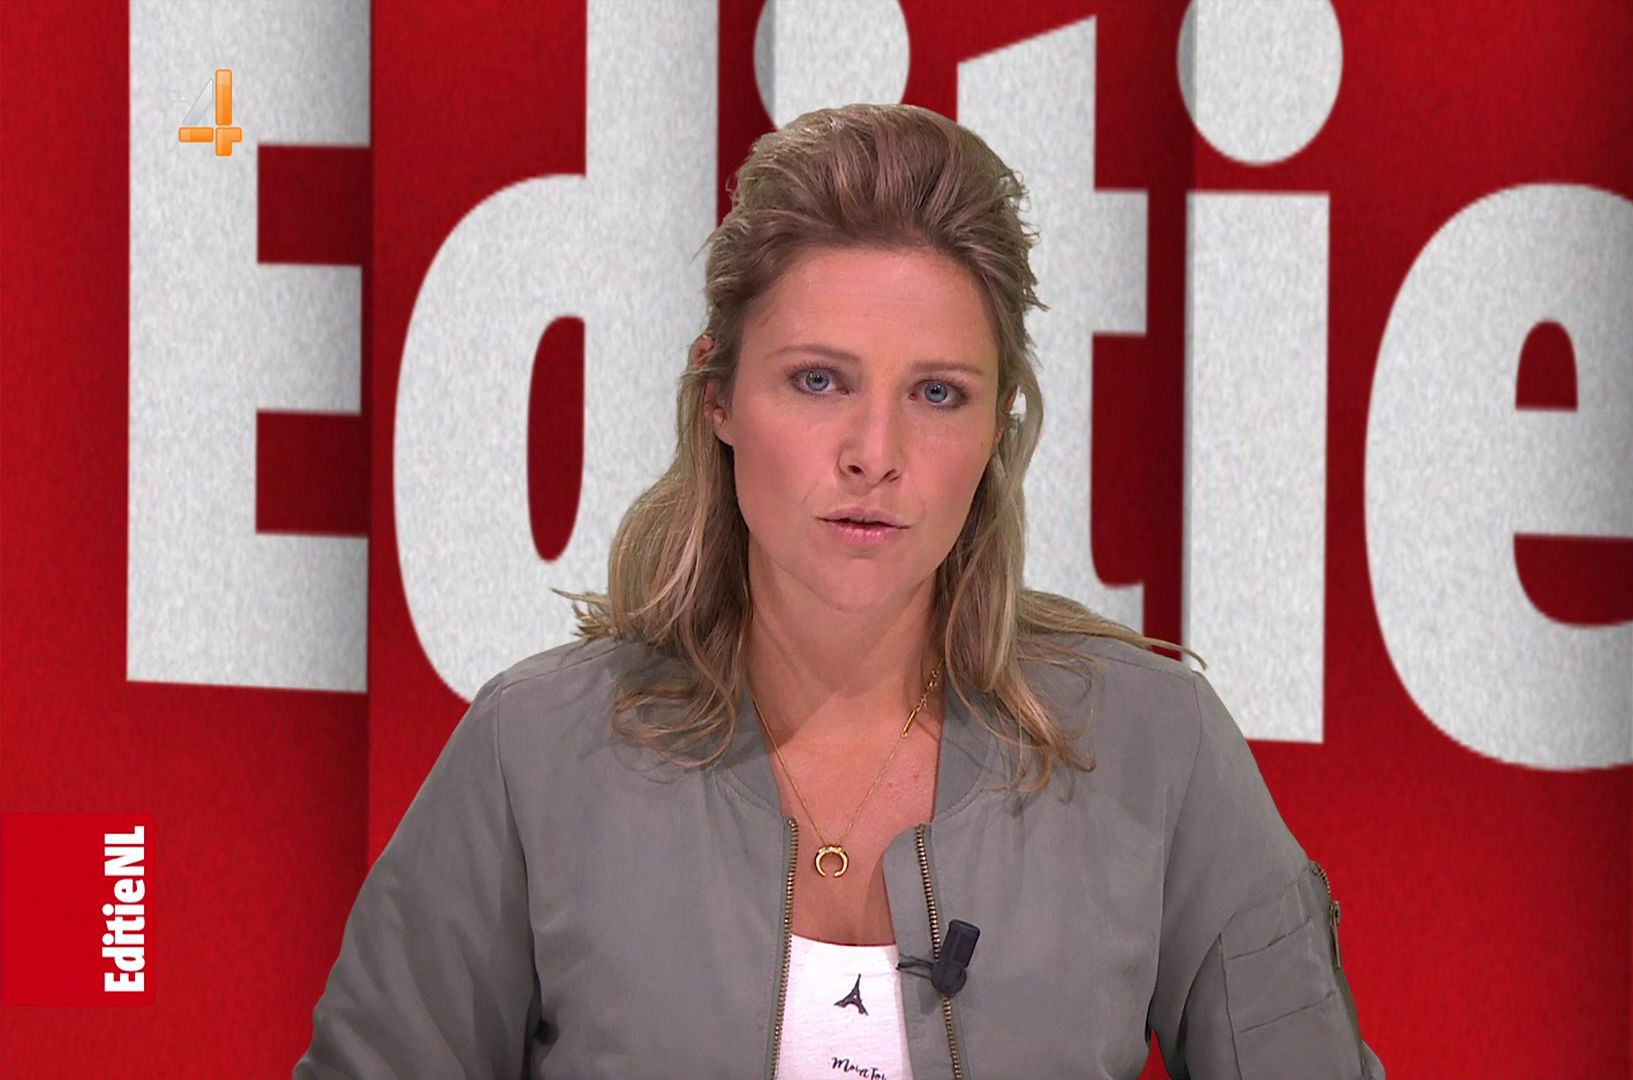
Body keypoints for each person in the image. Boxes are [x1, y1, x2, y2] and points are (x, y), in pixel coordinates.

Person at [295, 102, 1384, 1080]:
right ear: (718, 395)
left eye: (938, 394)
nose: (875, 452)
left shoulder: (1154, 750)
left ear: (996, 431)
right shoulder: (534, 756)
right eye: (818, 381)